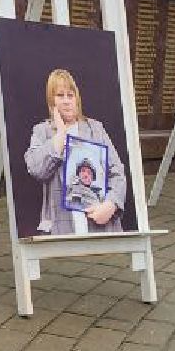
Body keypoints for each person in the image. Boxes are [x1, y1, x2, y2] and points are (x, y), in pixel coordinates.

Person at [24, 68, 127, 234]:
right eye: (60, 96)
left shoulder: (95, 128)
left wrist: (111, 204)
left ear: (77, 99)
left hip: (99, 223)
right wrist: (60, 135)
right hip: (61, 226)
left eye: (70, 95)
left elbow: (117, 172)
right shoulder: (42, 131)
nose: (66, 101)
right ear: (51, 102)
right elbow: (37, 170)